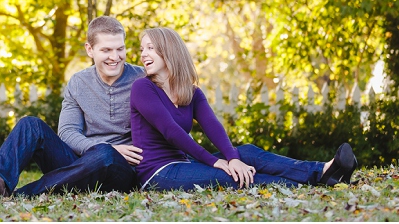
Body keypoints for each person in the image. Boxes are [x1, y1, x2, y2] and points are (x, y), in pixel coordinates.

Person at [130, 26, 358, 192]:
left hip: (184, 164)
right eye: (143, 49)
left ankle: (323, 171)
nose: (143, 54)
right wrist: (215, 161)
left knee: (245, 152)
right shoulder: (142, 88)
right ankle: (307, 186)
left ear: (168, 51)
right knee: (229, 176)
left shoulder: (191, 92)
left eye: (151, 48)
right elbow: (171, 131)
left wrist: (232, 157)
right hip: (157, 173)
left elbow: (213, 127)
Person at [0, 16, 145, 198]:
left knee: (105, 154)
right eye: (106, 50)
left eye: (120, 49)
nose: (115, 57)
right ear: (90, 50)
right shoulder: (78, 82)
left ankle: (23, 194)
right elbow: (67, 132)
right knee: (30, 124)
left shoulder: (143, 79)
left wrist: (110, 150)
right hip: (78, 162)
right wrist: (98, 146)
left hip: (119, 169)